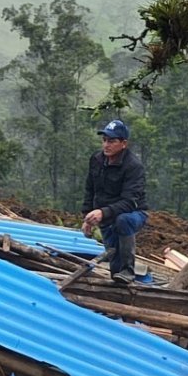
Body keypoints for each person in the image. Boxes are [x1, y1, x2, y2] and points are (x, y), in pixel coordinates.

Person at [82, 119, 148, 284]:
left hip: (133, 213)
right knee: (114, 264)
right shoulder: (96, 160)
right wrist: (87, 216)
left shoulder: (133, 166)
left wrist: (102, 213)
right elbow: (90, 189)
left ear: (123, 143)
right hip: (106, 214)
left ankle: (128, 271)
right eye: (104, 140)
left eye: (112, 141)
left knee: (123, 220)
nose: (106, 145)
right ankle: (119, 278)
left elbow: (129, 202)